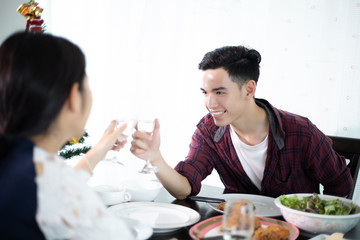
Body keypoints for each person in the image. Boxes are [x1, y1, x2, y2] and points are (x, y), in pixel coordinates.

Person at [130, 45, 353, 200]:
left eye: (219, 92)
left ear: (249, 90)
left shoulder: (300, 132)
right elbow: (184, 189)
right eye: (205, 92)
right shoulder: (208, 131)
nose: (210, 103)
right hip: (236, 229)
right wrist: (155, 158)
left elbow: (340, 185)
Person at [0, 32, 134, 239]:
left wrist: (100, 149)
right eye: (87, 85)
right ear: (73, 96)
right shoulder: (51, 183)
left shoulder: (16, 159)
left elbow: (52, 188)